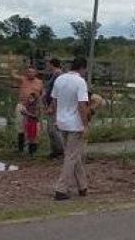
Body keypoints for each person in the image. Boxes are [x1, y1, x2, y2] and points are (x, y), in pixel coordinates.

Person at [50, 57, 91, 200]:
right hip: (75, 124)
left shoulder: (59, 79)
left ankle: (83, 186)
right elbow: (82, 105)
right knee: (71, 157)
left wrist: (56, 118)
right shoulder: (80, 82)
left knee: (73, 154)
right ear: (82, 68)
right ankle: (61, 189)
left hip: (62, 122)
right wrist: (85, 125)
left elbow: (54, 101)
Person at [13, 65, 44, 154]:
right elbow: (13, 76)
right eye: (28, 71)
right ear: (26, 73)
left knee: (34, 128)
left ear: (35, 73)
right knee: (21, 127)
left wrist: (39, 103)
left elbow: (43, 93)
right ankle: (20, 148)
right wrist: (11, 66)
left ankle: (32, 150)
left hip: (34, 107)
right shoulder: (23, 79)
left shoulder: (39, 82)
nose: (30, 73)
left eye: (32, 72)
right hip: (22, 105)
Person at [43, 58, 65, 158]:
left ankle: (61, 150)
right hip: (51, 104)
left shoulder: (58, 74)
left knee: (54, 129)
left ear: (52, 64)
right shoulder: (54, 74)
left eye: (49, 65)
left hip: (55, 105)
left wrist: (52, 105)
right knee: (50, 129)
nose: (47, 67)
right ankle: (55, 150)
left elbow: (57, 91)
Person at [20, 92, 41, 158]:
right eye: (29, 98)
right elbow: (26, 114)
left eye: (31, 98)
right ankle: (30, 152)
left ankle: (33, 153)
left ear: (34, 99)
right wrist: (23, 112)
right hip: (28, 122)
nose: (30, 99)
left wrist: (27, 113)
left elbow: (36, 116)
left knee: (34, 137)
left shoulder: (36, 106)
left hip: (34, 123)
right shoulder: (28, 105)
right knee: (29, 137)